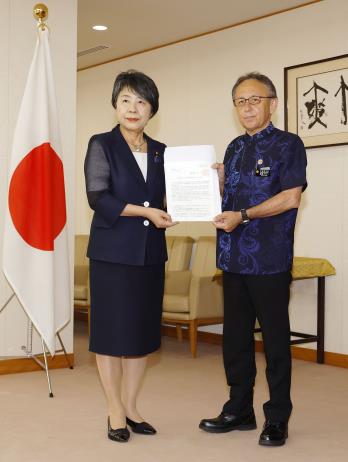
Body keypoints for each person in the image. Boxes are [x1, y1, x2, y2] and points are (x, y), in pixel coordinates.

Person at [199, 72, 307, 446]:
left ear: (272, 103)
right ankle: (238, 408)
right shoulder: (233, 148)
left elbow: (291, 197)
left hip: (269, 260)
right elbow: (226, 200)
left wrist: (243, 215)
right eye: (240, 101)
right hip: (232, 260)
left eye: (254, 99)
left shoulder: (288, 145)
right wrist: (214, 187)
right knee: (236, 340)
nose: (247, 107)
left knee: (275, 342)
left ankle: (277, 417)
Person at [84, 70, 176, 443]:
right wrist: (146, 212)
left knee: (140, 334)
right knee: (110, 334)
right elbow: (98, 197)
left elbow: (168, 200)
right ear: (115, 105)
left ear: (152, 108)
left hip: (150, 255)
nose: (133, 108)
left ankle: (132, 406)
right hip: (111, 254)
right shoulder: (101, 144)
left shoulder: (162, 152)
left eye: (141, 101)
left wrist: (205, 184)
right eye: (125, 100)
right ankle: (114, 410)